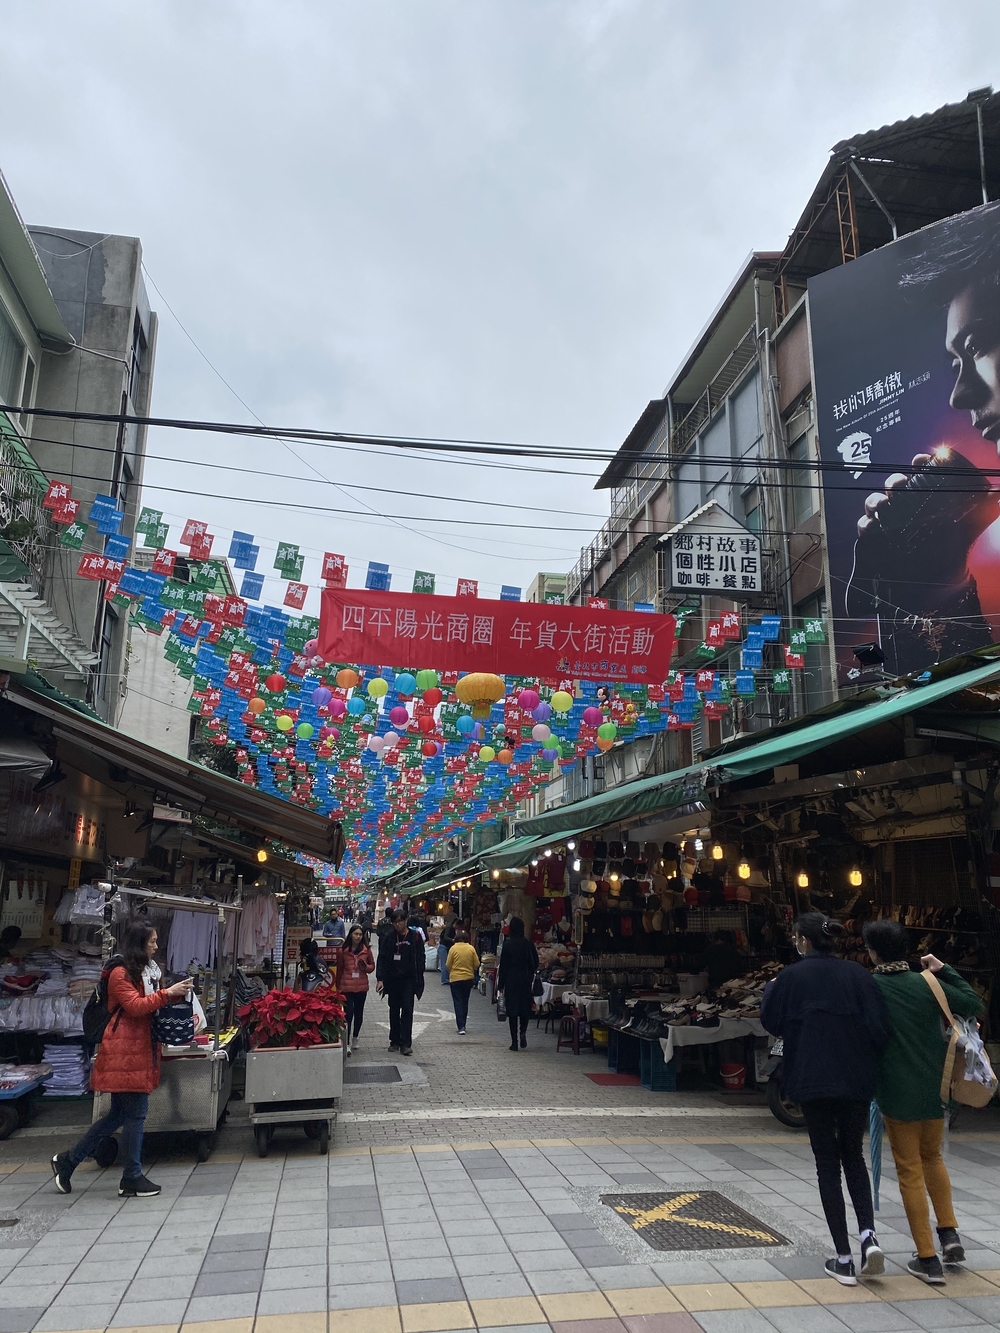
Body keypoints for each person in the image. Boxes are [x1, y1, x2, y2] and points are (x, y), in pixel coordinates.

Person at [760, 912, 889, 1286]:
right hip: (854, 1079)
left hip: (812, 1077)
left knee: (827, 1164)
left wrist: (771, 989)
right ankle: (868, 1236)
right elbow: (880, 1027)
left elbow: (771, 1021)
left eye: (795, 938)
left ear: (803, 940)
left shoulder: (790, 977)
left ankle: (844, 1258)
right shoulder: (858, 975)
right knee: (853, 1155)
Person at [863, 919, 984, 1285]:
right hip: (935, 1087)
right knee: (932, 1157)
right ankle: (949, 1234)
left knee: (909, 1170)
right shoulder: (928, 983)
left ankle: (928, 1258)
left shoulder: (870, 986)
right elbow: (973, 1002)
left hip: (895, 1091)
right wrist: (943, 969)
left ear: (873, 951)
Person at [51, 923, 192, 1198]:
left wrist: (169, 992)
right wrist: (167, 994)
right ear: (139, 944)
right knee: (136, 1114)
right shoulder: (119, 972)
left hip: (136, 1049)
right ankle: (131, 1177)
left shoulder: (145, 970)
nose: (155, 946)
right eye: (151, 941)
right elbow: (136, 1006)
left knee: (118, 1115)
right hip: (124, 1052)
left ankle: (68, 1161)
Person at [375, 909, 424, 1056]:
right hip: (393, 979)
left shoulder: (414, 937)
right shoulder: (389, 937)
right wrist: (380, 978)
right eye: (395, 922)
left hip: (409, 980)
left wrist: (419, 976)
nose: (398, 924)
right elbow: (382, 958)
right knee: (394, 1010)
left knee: (408, 1010)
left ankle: (406, 1043)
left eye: (400, 921)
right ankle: (394, 1040)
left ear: (406, 920)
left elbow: (421, 957)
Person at [497, 917, 538, 1052]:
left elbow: (503, 966)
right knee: (524, 1009)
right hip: (525, 980)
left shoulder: (508, 944)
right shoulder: (527, 943)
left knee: (513, 1011)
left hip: (511, 981)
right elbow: (535, 962)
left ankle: (514, 1042)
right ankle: (523, 1032)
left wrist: (501, 984)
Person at [338, 924, 375, 1055]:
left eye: (360, 934)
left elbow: (372, 967)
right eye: (356, 934)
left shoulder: (366, 950)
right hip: (347, 987)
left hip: (361, 987)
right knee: (348, 1013)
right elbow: (340, 969)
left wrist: (365, 967)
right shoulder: (343, 951)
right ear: (351, 935)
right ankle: (346, 1042)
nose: (358, 937)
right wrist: (337, 987)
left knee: (359, 1013)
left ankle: (355, 1037)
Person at [445, 928, 480, 1035]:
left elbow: (448, 965)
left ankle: (461, 1026)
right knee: (465, 1001)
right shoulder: (471, 948)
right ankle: (463, 1024)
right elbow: (477, 964)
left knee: (458, 1002)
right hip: (468, 979)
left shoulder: (453, 949)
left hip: (455, 979)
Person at [438, 913, 458, 986]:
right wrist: (452, 940)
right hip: (443, 946)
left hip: (445, 947)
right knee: (444, 964)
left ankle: (446, 979)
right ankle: (444, 980)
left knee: (446, 963)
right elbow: (445, 937)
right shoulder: (449, 928)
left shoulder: (451, 928)